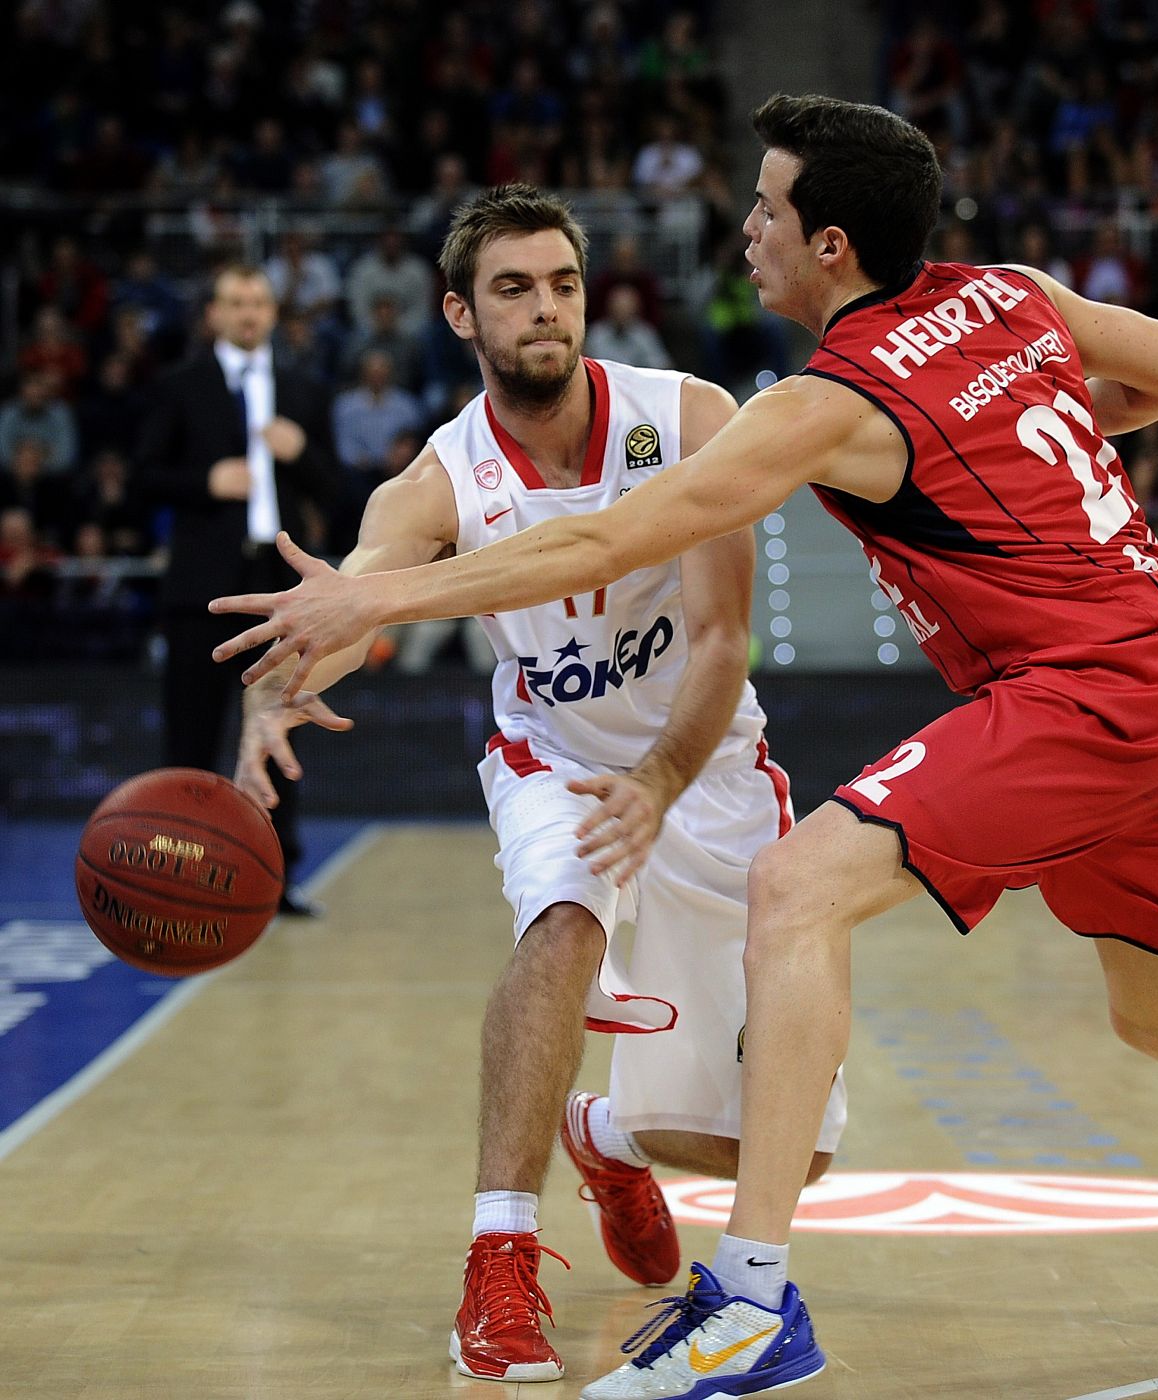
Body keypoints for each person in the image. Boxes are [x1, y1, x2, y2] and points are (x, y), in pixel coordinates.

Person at [212, 97, 1158, 1395]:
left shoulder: (823, 401)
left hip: (1086, 687)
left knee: (797, 887)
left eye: (765, 209)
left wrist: (374, 598)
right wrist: (1040, 423)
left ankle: (754, 1304)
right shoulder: (1012, 293)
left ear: (828, 243)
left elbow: (607, 540)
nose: (746, 230)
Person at [224, 184, 845, 1385]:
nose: (544, 308)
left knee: (771, 1149)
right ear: (459, 312)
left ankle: (602, 1130)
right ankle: (498, 1259)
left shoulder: (691, 415)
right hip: (551, 753)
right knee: (558, 917)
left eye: (560, 282)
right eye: (512, 288)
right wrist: (292, 674)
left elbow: (721, 639)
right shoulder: (437, 479)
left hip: (703, 762)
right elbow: (362, 592)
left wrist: (663, 777)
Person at [136, 263, 338, 914]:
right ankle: (182, 875)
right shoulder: (177, 385)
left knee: (278, 735)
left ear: (273, 314)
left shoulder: (303, 389)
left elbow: (339, 492)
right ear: (214, 314)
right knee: (190, 739)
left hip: (279, 588)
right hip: (200, 587)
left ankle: (275, 879)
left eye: (258, 302)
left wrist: (300, 453)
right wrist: (204, 483)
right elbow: (140, 477)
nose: (247, 313)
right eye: (234, 302)